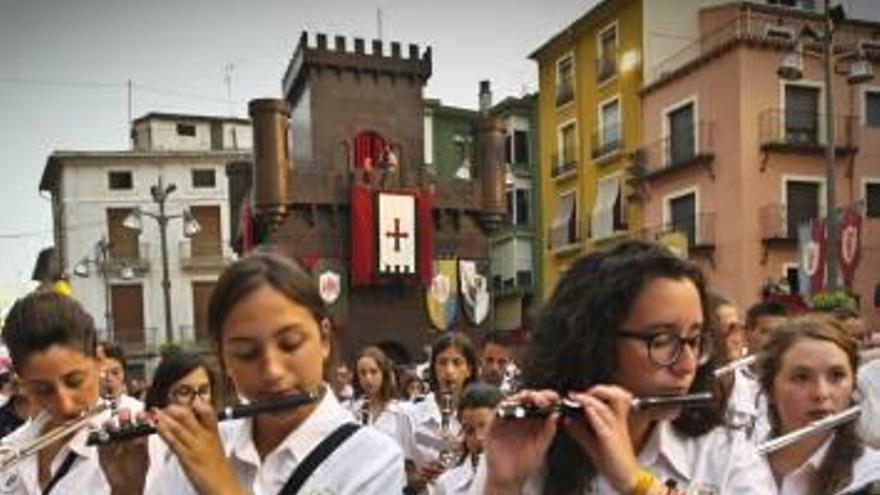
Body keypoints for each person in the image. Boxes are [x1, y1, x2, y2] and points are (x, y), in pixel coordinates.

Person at [478, 240, 774, 494]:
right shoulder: (528, 449)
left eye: (695, 340)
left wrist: (636, 482)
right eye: (661, 341)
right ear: (595, 343)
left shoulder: (723, 455)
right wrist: (502, 487)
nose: (687, 365)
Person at [147, 253, 405, 494]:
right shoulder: (204, 447)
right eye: (246, 353)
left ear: (324, 339)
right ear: (223, 358)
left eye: (290, 344)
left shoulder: (373, 459)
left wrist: (222, 485)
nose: (272, 371)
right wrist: (126, 482)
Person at [0, 291, 142, 494]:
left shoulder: (138, 440)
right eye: (43, 390)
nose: (65, 404)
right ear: (21, 381)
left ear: (98, 360)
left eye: (75, 381)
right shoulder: (11, 448)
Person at [758, 314, 880, 494]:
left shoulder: (871, 475)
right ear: (769, 387)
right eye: (801, 378)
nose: (821, 394)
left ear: (853, 384)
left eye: (837, 376)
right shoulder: (736, 464)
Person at [407, 332, 479, 493]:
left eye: (457, 362)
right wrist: (418, 477)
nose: (449, 370)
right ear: (433, 368)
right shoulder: (411, 413)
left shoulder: (479, 415)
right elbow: (400, 473)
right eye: (442, 362)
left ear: (469, 369)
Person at [142, 351, 217, 493]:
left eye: (204, 391)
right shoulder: (150, 443)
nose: (196, 404)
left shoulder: (225, 442)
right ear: (163, 396)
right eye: (184, 392)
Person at [351, 346, 419, 462]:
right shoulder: (353, 410)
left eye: (373, 372)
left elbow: (410, 458)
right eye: (362, 373)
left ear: (383, 373)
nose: (368, 378)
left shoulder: (402, 411)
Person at [434, 383, 503, 495]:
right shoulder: (446, 484)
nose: (478, 438)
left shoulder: (527, 477)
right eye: (469, 430)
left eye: (486, 428)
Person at [95, 341, 144, 413]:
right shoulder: (83, 412)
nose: (109, 378)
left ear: (123, 373)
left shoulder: (138, 409)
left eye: (115, 373)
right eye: (104, 373)